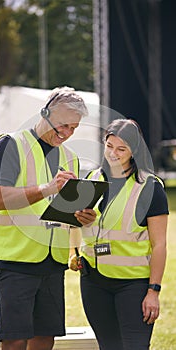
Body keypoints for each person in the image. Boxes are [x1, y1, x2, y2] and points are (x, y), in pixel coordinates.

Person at [0, 86, 96, 350]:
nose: (67, 134)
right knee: (14, 340)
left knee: (46, 337)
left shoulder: (71, 158)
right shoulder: (11, 144)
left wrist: (83, 216)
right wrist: (48, 188)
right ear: (45, 113)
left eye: (74, 128)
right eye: (63, 126)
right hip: (14, 259)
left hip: (52, 262)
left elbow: (68, 214)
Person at [69, 118, 169, 350]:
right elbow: (78, 226)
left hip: (133, 285)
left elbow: (160, 245)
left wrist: (153, 291)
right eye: (109, 145)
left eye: (121, 149)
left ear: (134, 151)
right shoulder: (92, 180)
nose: (113, 153)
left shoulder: (150, 188)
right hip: (94, 282)